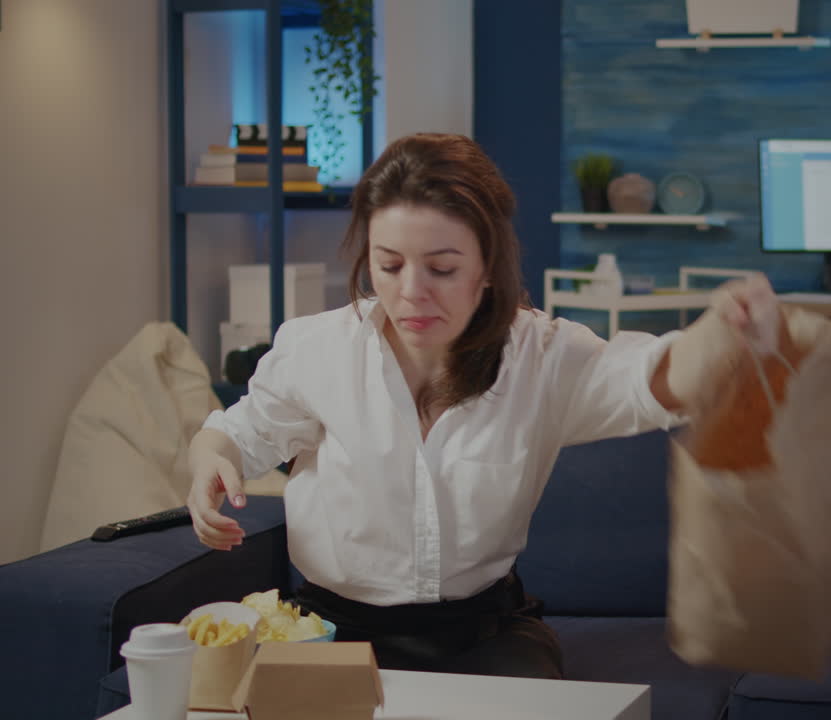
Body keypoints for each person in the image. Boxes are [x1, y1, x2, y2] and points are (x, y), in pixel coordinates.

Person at [186, 132, 781, 679]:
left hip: (483, 635)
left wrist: (718, 342)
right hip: (328, 632)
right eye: (389, 265)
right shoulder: (318, 348)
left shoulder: (542, 356)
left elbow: (644, 382)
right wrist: (210, 463)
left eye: (442, 268)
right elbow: (238, 434)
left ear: (489, 269)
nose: (411, 291)